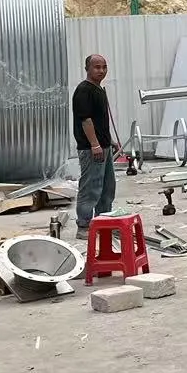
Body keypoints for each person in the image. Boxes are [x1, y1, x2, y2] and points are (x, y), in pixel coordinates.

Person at [71, 53, 116, 237]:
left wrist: (108, 140)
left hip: (102, 146)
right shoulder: (84, 90)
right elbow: (86, 120)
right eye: (97, 67)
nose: (101, 70)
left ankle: (103, 223)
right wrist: (95, 145)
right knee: (91, 187)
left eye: (104, 67)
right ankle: (84, 226)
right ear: (87, 69)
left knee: (107, 187)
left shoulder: (98, 89)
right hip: (92, 149)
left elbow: (100, 120)